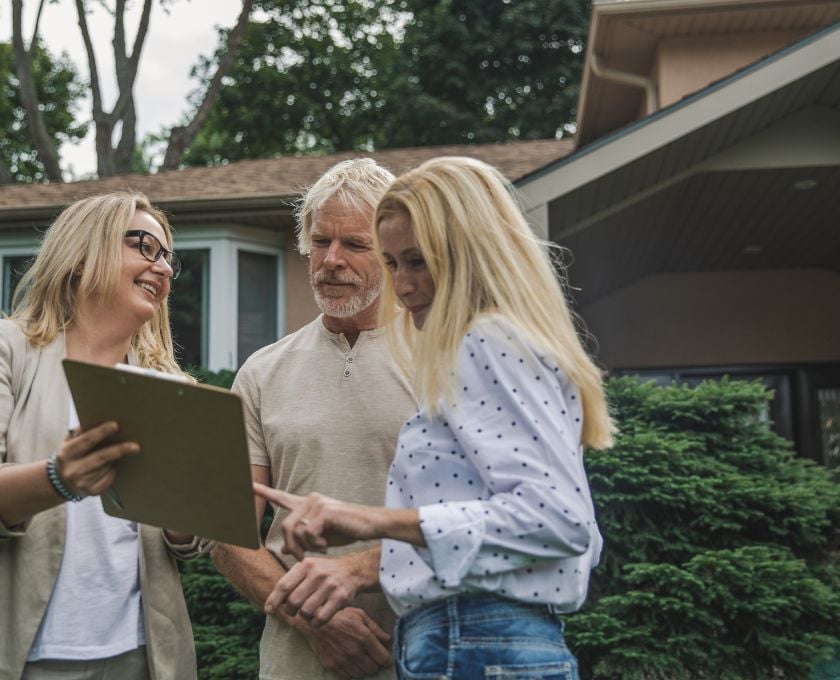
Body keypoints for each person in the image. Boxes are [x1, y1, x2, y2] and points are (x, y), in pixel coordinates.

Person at [254, 156, 615, 679]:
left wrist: (368, 521)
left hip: (475, 640)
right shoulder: (492, 343)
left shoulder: (486, 341)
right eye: (394, 262)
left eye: (417, 261)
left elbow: (559, 520)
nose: (402, 285)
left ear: (470, 251)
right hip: (484, 639)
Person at [211, 158, 415, 680]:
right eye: (321, 241)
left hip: (421, 652)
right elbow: (228, 533)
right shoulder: (262, 371)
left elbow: (474, 520)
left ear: (392, 251)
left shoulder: (443, 358)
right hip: (296, 661)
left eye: (355, 244)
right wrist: (317, 622)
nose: (331, 260)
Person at [0, 192, 203, 680]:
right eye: (144, 246)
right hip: (29, 656)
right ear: (81, 255)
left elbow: (187, 543)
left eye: (167, 257)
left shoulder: (171, 388)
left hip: (144, 656)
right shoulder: (10, 350)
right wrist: (59, 478)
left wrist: (186, 511)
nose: (163, 268)